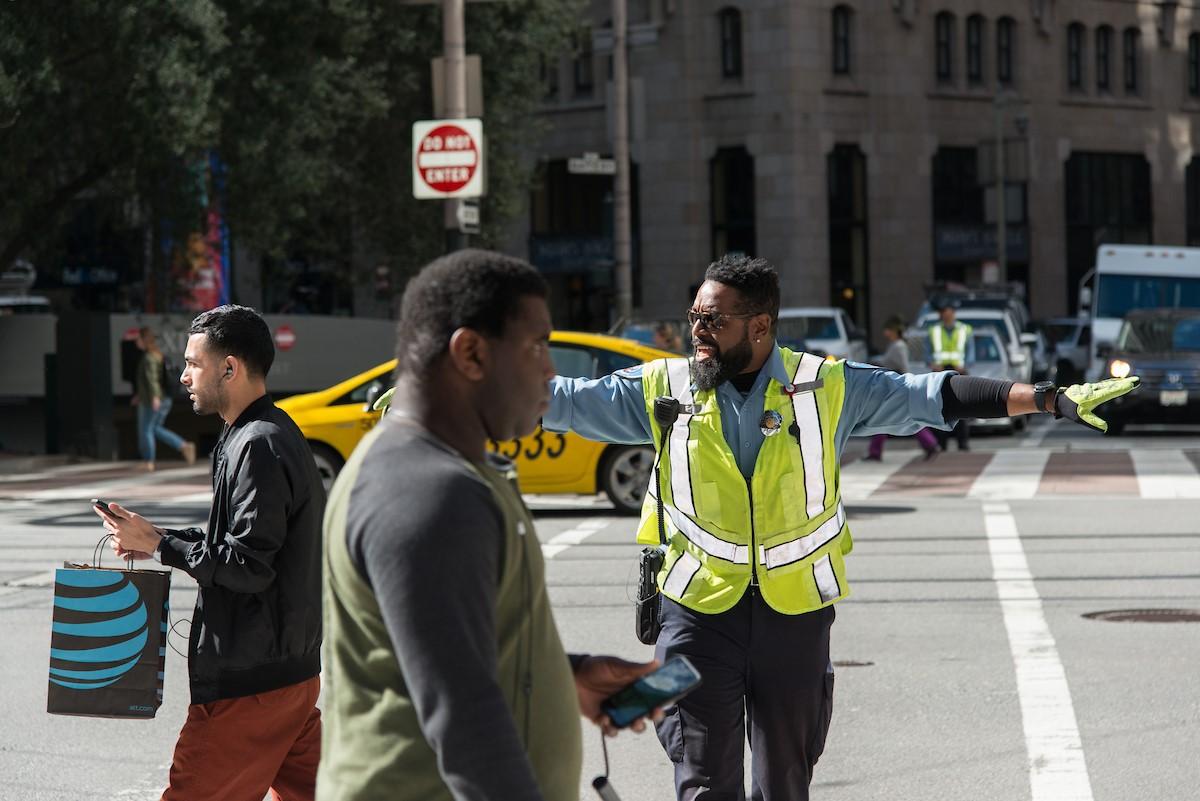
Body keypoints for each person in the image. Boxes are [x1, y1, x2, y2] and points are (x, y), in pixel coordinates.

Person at [542, 254, 1138, 801]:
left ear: (760, 326)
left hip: (794, 615)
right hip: (696, 615)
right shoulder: (664, 389)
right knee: (701, 780)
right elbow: (566, 400)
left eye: (713, 319)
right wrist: (491, 378)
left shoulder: (826, 385)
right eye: (694, 315)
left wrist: (1046, 398)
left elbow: (931, 396)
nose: (697, 330)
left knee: (786, 780)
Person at [318, 249, 662, 801]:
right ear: (472, 353)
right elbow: (465, 723)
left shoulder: (443, 468)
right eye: (537, 347)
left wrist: (562, 674)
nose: (550, 371)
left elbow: (444, 649)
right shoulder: (428, 491)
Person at [94, 305, 326, 801]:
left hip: (251, 686)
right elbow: (240, 544)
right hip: (286, 675)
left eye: (193, 363)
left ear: (229, 368)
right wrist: (155, 537)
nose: (183, 376)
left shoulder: (258, 444)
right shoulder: (258, 432)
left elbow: (248, 566)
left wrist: (162, 545)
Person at [864, 316, 938, 461]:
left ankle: (930, 444)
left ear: (893, 330)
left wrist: (905, 385)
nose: (885, 332)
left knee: (885, 418)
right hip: (892, 388)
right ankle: (930, 444)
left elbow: (904, 367)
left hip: (896, 388)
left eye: (887, 329)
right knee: (891, 418)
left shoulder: (898, 346)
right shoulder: (895, 345)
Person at [134, 326, 196, 471]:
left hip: (153, 399)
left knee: (146, 430)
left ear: (143, 340)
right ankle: (184, 445)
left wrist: (154, 397)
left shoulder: (149, 357)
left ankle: (148, 461)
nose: (136, 341)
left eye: (138, 338)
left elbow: (152, 380)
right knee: (155, 429)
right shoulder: (157, 355)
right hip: (162, 398)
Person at [928, 302, 973, 451]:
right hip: (939, 373)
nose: (946, 316)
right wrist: (931, 363)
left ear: (954, 313)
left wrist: (966, 365)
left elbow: (970, 351)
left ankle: (962, 442)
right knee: (941, 407)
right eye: (944, 313)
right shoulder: (934, 330)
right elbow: (927, 352)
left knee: (962, 407)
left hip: (959, 372)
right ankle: (942, 443)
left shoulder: (964, 329)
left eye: (949, 313)